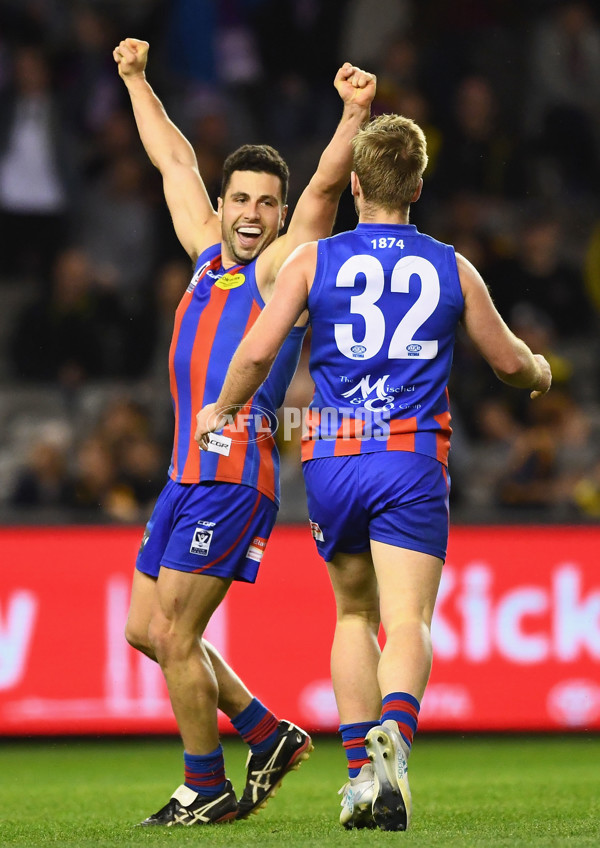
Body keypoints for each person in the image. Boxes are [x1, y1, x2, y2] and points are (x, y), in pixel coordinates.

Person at [195, 113, 552, 831]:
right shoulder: (450, 265)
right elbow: (509, 362)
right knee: (407, 618)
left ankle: (362, 774)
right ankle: (397, 733)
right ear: (417, 185)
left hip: (332, 460)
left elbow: (259, 352)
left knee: (353, 614)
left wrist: (222, 409)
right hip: (411, 457)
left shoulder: (311, 261)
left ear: (355, 184)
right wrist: (542, 373)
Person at [113, 37, 376, 827]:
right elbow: (173, 161)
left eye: (268, 203)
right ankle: (267, 734)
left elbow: (327, 188)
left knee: (174, 630)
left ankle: (206, 784)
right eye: (242, 201)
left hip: (232, 478)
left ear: (279, 213)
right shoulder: (205, 257)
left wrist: (353, 115)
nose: (253, 215)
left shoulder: (279, 270)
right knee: (143, 631)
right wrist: (135, 79)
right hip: (183, 475)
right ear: (223, 206)